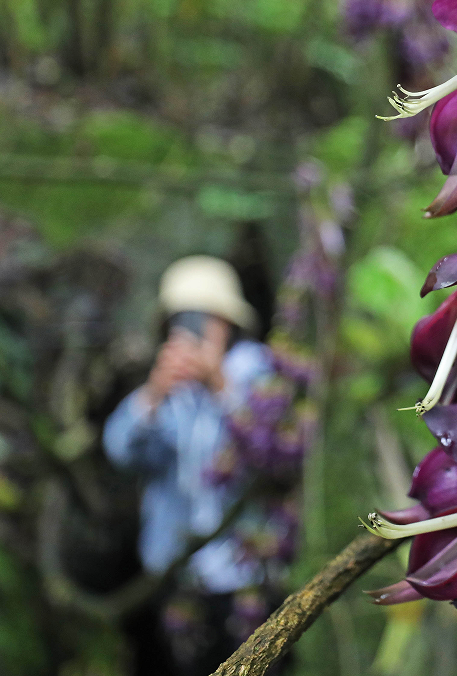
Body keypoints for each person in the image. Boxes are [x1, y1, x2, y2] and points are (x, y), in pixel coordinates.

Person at [104, 256, 273, 674]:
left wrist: (219, 385)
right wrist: (155, 394)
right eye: (182, 319)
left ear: (227, 322)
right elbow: (122, 451)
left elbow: (271, 450)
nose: (192, 329)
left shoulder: (255, 369)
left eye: (203, 318)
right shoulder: (168, 386)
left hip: (240, 575)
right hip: (173, 572)